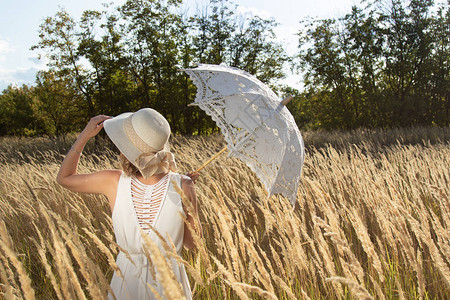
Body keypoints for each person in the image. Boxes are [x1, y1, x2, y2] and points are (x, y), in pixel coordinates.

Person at [56, 108, 201, 300]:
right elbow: (192, 244)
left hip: (126, 283)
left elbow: (64, 178)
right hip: (171, 286)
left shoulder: (113, 181)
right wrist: (186, 194)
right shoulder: (184, 184)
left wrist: (84, 136)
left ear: (127, 150)